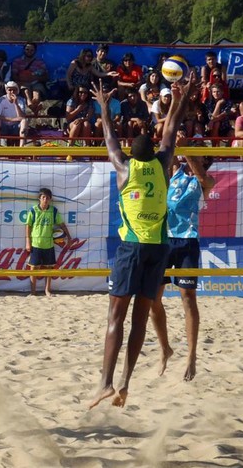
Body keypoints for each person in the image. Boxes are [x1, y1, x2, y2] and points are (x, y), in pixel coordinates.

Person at [87, 70, 196, 410]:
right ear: (155, 154)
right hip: (158, 249)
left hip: (132, 248)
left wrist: (104, 106)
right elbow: (172, 131)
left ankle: (105, 384)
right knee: (139, 320)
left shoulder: (124, 168)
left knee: (115, 318)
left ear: (132, 155)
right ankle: (125, 383)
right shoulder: (164, 164)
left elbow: (109, 137)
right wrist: (181, 98)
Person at [150, 136, 215, 382]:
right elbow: (169, 156)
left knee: (188, 298)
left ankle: (191, 356)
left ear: (204, 159)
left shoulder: (206, 180)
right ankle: (165, 348)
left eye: (197, 154)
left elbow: (200, 176)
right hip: (164, 240)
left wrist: (188, 148)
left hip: (188, 242)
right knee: (152, 299)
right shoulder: (175, 173)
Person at [25, 188, 72, 297]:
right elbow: (28, 226)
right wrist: (28, 241)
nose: (45, 200)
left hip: (49, 244)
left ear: (50, 199)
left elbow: (61, 224)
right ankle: (33, 291)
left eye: (47, 198)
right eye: (43, 197)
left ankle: (47, 290)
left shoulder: (53, 211)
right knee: (33, 268)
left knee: (49, 268)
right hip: (36, 243)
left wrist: (69, 237)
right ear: (39, 199)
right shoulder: (33, 210)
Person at [11, 42, 49, 114]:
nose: (29, 52)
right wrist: (22, 79)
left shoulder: (40, 62)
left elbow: (46, 76)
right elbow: (14, 75)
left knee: (37, 93)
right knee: (25, 90)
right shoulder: (17, 61)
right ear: (24, 50)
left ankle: (33, 106)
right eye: (27, 49)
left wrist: (34, 77)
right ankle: (33, 107)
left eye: (32, 50)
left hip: (36, 82)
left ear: (35, 51)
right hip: (23, 83)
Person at [0, 81, 28, 147]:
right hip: (4, 126)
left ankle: (21, 146)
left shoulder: (21, 100)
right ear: (6, 90)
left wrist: (16, 104)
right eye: (10, 90)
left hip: (16, 126)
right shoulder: (2, 99)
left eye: (14, 90)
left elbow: (22, 117)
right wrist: (11, 119)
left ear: (17, 91)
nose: (12, 92)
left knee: (24, 121)